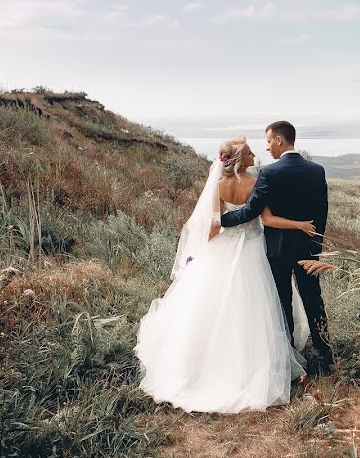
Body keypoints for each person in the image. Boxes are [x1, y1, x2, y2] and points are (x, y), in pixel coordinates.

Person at [134, 136, 312, 413]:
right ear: (241, 160)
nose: (255, 155)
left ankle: (207, 364)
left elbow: (215, 224)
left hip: (226, 248)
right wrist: (299, 224)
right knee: (257, 306)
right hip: (254, 249)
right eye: (251, 153)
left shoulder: (218, 186)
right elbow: (268, 220)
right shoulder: (256, 183)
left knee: (212, 304)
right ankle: (255, 364)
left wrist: (200, 252)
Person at [221, 121, 334, 376]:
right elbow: (322, 212)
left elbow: (251, 212)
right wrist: (317, 245)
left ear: (280, 141)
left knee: (282, 303)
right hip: (308, 250)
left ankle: (288, 359)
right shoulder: (317, 171)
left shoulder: (269, 173)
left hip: (278, 251)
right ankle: (326, 358)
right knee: (314, 302)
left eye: (269, 141)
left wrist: (221, 221)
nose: (268, 147)